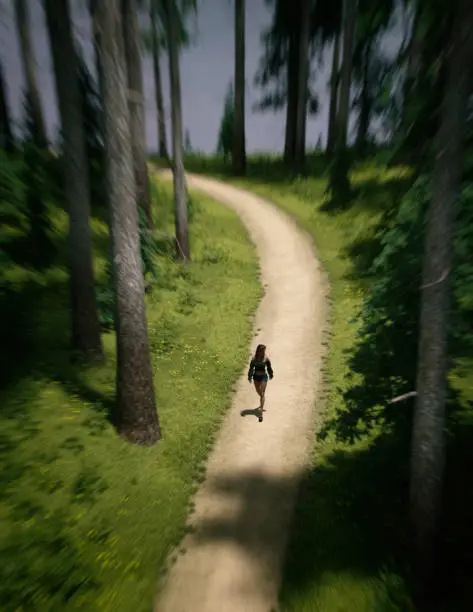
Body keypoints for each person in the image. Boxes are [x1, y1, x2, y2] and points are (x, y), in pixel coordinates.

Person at [247, 344, 274, 422]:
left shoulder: (266, 359)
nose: (263, 353)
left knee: (262, 393)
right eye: (262, 351)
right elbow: (251, 369)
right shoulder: (254, 359)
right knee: (258, 392)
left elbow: (269, 368)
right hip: (256, 378)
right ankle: (262, 400)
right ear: (258, 351)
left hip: (263, 377)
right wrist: (250, 377)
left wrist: (271, 374)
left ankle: (260, 410)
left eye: (264, 351)